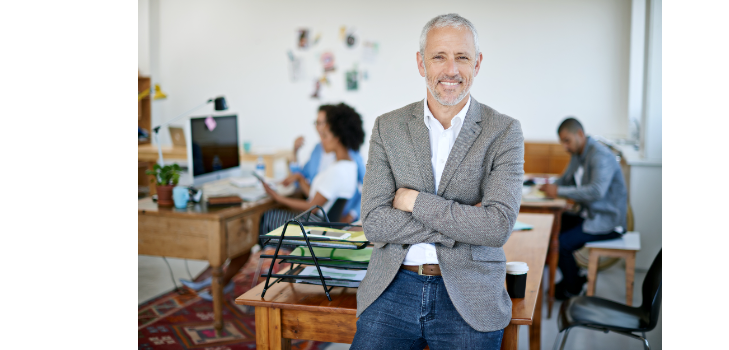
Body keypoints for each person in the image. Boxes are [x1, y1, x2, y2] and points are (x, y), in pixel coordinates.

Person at [350, 14, 524, 350]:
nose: (451, 70)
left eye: (462, 57)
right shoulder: (389, 127)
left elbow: (496, 227)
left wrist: (413, 202)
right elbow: (373, 223)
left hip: (471, 293)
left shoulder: (504, 131)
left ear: (478, 63)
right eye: (439, 56)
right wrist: (465, 220)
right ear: (420, 63)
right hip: (392, 287)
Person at [181, 103, 365, 301]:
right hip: (322, 225)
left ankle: (220, 279)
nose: (321, 138)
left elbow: (312, 206)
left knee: (255, 223)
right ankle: (220, 279)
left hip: (313, 228)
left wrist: (277, 197)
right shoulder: (347, 166)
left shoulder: (337, 170)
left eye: (325, 135)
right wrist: (298, 179)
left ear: (337, 137)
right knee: (255, 225)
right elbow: (319, 197)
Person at [539, 117, 628, 300]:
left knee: (563, 242)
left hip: (607, 222)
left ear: (580, 134)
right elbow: (564, 181)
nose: (565, 146)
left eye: (567, 141)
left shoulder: (600, 155)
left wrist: (558, 191)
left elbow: (596, 191)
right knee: (549, 227)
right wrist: (547, 187)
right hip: (588, 215)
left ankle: (573, 287)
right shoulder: (578, 154)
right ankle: (574, 275)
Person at [287, 105, 366, 223]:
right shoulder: (317, 150)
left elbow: (368, 188)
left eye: (324, 123)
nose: (320, 127)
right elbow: (303, 177)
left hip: (336, 217)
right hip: (318, 212)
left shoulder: (351, 155)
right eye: (317, 123)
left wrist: (352, 215)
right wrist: (295, 153)